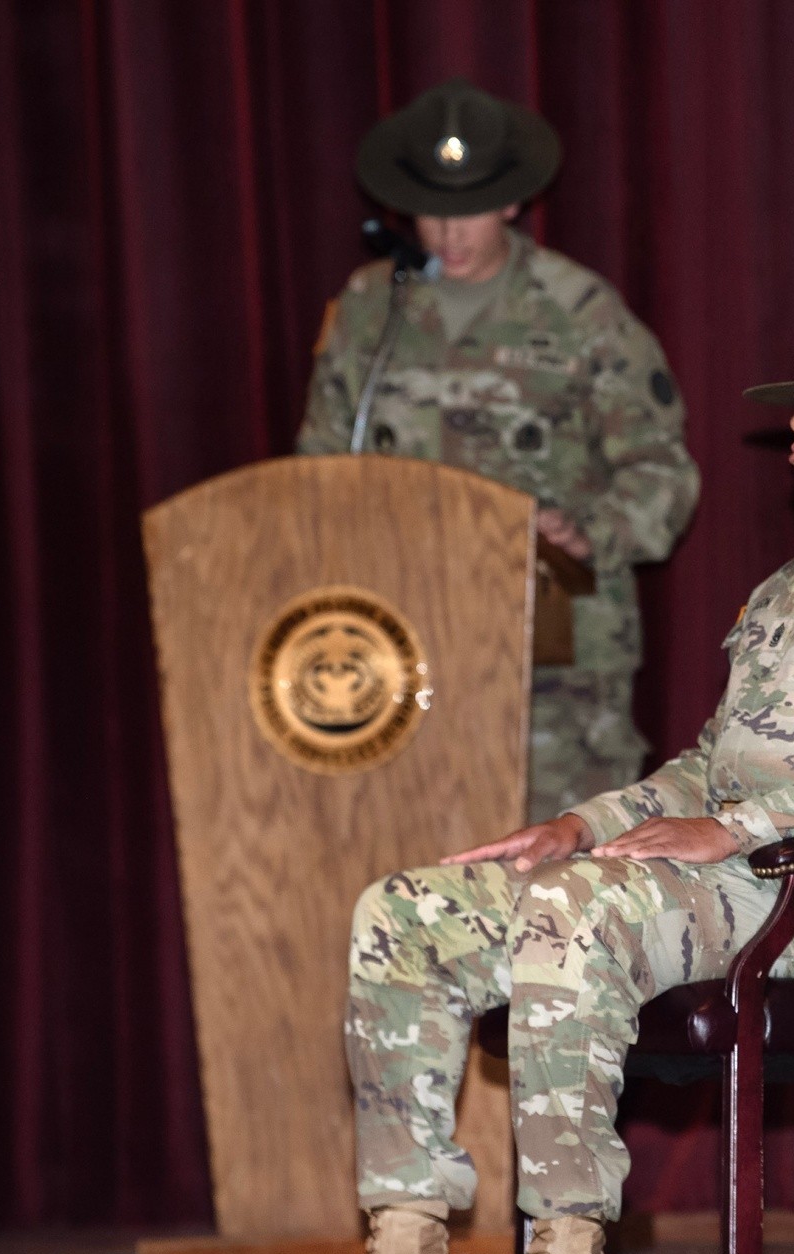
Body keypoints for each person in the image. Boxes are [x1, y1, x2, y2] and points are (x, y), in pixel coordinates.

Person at [235, 295, 794, 1254]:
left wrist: (735, 828)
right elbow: (706, 765)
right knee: (408, 911)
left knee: (580, 910)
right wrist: (579, 824)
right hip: (747, 873)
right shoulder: (789, 585)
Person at [296, 77, 701, 822]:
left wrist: (592, 529)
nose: (450, 233)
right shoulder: (369, 310)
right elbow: (318, 469)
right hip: (401, 645)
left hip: (551, 661)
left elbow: (662, 470)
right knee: (412, 861)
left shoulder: (580, 311)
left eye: (470, 211)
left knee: (553, 885)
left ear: (511, 201)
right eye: (432, 212)